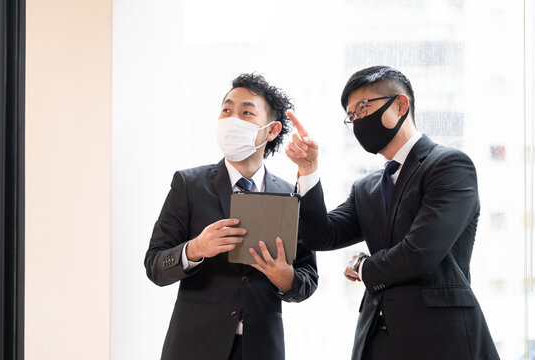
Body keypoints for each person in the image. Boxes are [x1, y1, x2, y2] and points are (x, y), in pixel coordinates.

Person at [285, 66, 499, 359]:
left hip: (441, 340)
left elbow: (420, 253)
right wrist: (308, 170)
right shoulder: (366, 187)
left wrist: (363, 266)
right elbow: (321, 236)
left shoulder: (448, 166)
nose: (358, 120)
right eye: (352, 116)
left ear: (401, 104)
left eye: (363, 108)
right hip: (376, 340)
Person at [145, 73, 318, 360]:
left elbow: (308, 277)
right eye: (226, 110)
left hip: (262, 348)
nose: (231, 119)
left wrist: (286, 279)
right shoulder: (188, 185)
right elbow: (154, 265)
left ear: (271, 130)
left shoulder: (291, 195)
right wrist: (195, 249)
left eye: (246, 112)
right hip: (194, 347)